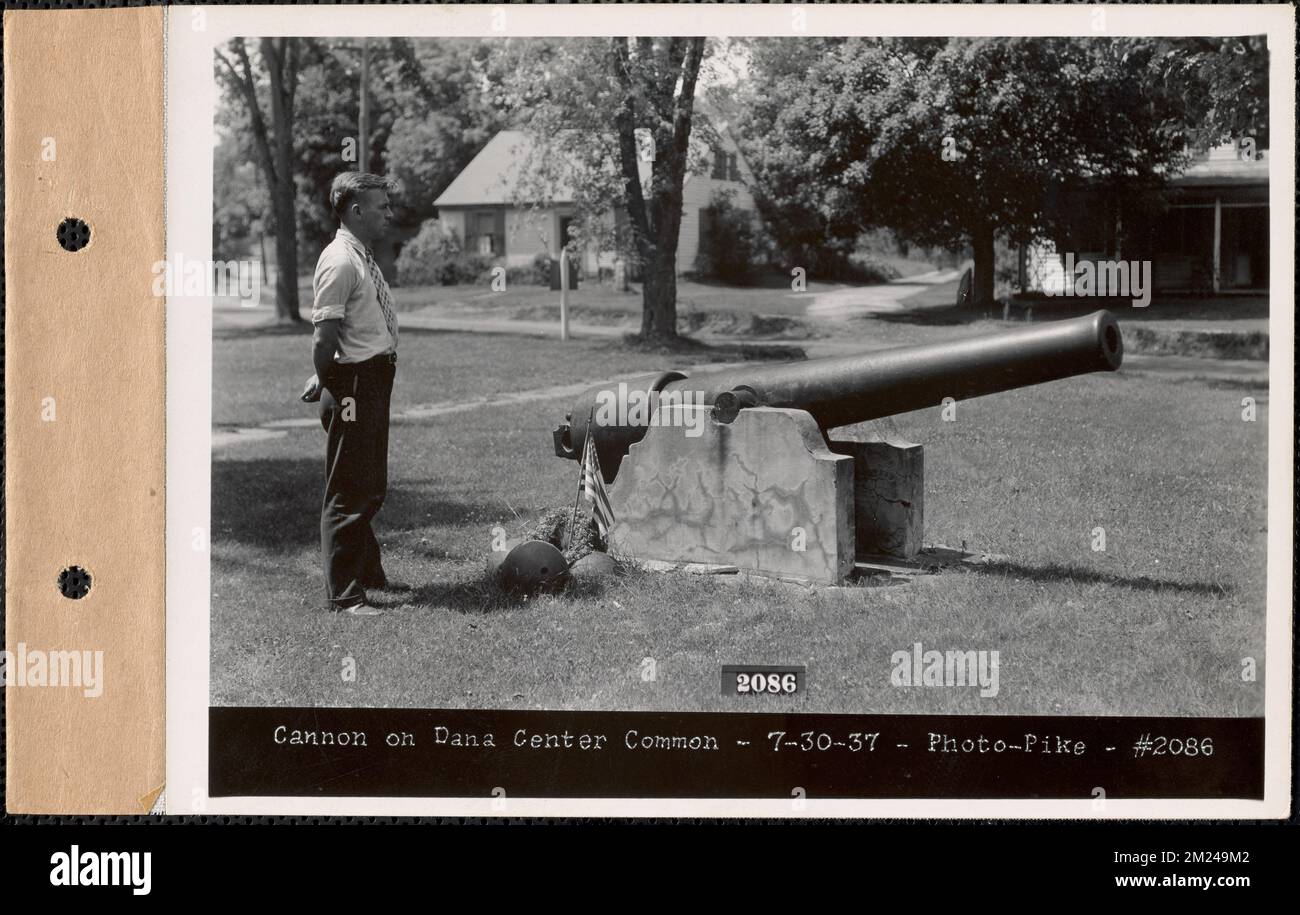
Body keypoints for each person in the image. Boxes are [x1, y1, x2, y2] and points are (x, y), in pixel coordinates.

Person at [300, 172, 406, 616]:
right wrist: (331, 382)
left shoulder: (359, 255)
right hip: (355, 385)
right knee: (348, 490)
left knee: (369, 484)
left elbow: (345, 332)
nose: (389, 214)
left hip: (371, 379)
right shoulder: (341, 260)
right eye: (381, 206)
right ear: (356, 210)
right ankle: (345, 596)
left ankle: (368, 574)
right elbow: (324, 339)